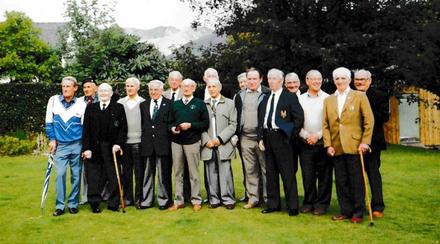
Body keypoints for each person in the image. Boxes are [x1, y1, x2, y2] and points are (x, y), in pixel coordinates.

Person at [322, 67, 374, 223]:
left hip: (355, 146)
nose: (340, 81)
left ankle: (358, 212)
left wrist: (365, 142)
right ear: (334, 81)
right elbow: (325, 125)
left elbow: (369, 121)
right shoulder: (329, 100)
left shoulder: (359, 96)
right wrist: (328, 145)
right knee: (341, 180)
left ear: (349, 80)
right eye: (337, 79)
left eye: (343, 78)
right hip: (336, 146)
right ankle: (345, 210)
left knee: (356, 181)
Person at [258, 68, 304, 216]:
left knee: (287, 173)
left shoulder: (289, 97)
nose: (271, 81)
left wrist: (290, 135)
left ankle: (292, 206)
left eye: (274, 78)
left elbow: (299, 118)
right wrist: (260, 138)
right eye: (269, 78)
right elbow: (260, 120)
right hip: (268, 137)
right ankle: (273, 204)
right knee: (271, 173)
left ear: (281, 80)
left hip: (283, 138)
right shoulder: (265, 98)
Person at [82, 83, 127, 213]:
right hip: (94, 147)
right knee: (94, 176)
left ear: (111, 93)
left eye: (106, 91)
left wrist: (118, 144)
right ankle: (94, 203)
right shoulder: (91, 108)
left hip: (111, 147)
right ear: (97, 93)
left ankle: (113, 203)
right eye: (101, 91)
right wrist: (86, 148)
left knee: (113, 175)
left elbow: (123, 129)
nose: (103, 93)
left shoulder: (118, 107)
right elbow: (86, 130)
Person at [45, 76, 87, 216]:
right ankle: (60, 206)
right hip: (61, 146)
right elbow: (49, 122)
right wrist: (52, 139)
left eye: (68, 86)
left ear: (75, 88)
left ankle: (73, 204)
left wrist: (85, 146)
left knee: (76, 175)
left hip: (77, 144)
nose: (65, 89)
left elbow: (85, 126)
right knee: (61, 174)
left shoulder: (82, 104)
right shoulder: (53, 100)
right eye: (63, 86)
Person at [168, 79, 209, 211]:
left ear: (194, 88)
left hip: (192, 142)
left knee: (194, 173)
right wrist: (172, 128)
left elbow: (205, 123)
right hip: (176, 142)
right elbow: (169, 122)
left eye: (189, 86)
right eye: (184, 86)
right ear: (180, 87)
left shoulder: (200, 104)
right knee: (178, 173)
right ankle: (178, 201)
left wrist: (191, 125)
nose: (186, 88)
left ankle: (196, 200)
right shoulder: (175, 104)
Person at [354, 69, 389, 218]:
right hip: (353, 142)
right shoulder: (351, 95)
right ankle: (359, 205)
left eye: (362, 79)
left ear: (369, 81)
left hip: (373, 143)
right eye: (357, 79)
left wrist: (366, 112)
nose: (359, 82)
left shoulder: (379, 96)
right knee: (356, 176)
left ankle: (378, 206)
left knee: (373, 173)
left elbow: (384, 117)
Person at [234, 68, 270, 209]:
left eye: (255, 79)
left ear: (261, 79)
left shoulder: (267, 94)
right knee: (250, 170)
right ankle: (253, 198)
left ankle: (268, 199)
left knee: (266, 169)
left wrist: (264, 137)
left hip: (262, 138)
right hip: (245, 138)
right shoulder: (240, 95)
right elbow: (236, 116)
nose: (252, 81)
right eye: (249, 79)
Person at [298, 70, 332, 215]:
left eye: (319, 79)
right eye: (313, 79)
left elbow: (331, 122)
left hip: (322, 141)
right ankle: (309, 202)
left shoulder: (328, 98)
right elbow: (296, 120)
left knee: (324, 176)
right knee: (308, 175)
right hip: (304, 142)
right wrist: (306, 135)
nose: (316, 82)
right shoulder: (300, 99)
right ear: (307, 81)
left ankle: (322, 204)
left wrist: (317, 136)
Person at [201, 79, 237, 209]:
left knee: (225, 173)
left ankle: (228, 199)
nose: (211, 89)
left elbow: (233, 125)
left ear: (220, 88)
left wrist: (220, 139)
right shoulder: (203, 104)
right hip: (208, 145)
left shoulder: (229, 103)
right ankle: (214, 199)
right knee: (211, 173)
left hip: (224, 144)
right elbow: (200, 126)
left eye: (214, 86)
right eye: (209, 87)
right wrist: (207, 140)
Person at [139, 80, 174, 210]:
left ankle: (164, 200)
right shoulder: (143, 105)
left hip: (163, 145)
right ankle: (147, 200)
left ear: (161, 90)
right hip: (148, 145)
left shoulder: (170, 104)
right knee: (147, 174)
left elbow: (171, 123)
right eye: (151, 90)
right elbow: (143, 124)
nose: (153, 92)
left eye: (156, 90)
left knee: (163, 175)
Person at [162, 70, 192, 203]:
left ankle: (187, 196)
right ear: (168, 81)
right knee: (167, 169)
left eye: (176, 79)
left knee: (184, 169)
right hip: (165, 137)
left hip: (183, 138)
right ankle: (168, 197)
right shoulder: (163, 94)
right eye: (171, 79)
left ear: (180, 81)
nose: (174, 82)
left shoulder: (186, 94)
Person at [118, 77, 145, 207]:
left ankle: (139, 199)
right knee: (126, 172)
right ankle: (127, 199)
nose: (129, 88)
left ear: (138, 88)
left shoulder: (143, 102)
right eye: (127, 86)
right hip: (124, 143)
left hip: (139, 142)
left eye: (132, 86)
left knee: (139, 173)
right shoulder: (120, 102)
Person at [79, 78, 98, 205]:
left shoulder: (101, 100)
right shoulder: (79, 102)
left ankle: (102, 194)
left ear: (95, 88)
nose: (86, 89)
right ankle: (85, 196)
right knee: (85, 170)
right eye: (84, 87)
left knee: (99, 169)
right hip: (83, 138)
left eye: (89, 87)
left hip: (97, 139)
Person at [284, 72, 301, 175]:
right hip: (290, 139)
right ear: (285, 84)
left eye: (295, 82)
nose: (292, 85)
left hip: (306, 139)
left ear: (299, 83)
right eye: (289, 83)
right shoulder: (283, 98)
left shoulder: (305, 95)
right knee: (291, 169)